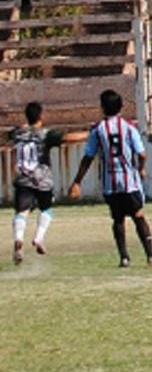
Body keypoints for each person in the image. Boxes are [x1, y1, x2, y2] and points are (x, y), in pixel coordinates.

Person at [68, 90, 152, 267]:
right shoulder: (129, 127)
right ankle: (151, 256)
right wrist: (141, 169)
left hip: (109, 183)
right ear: (121, 107)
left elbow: (88, 157)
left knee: (118, 219)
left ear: (102, 108)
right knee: (138, 215)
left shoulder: (98, 130)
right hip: (129, 181)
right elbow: (141, 154)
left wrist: (77, 181)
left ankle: (124, 258)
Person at [9, 102, 88, 264]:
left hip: (23, 178)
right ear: (41, 116)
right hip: (42, 180)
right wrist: (89, 134)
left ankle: (18, 238)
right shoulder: (45, 134)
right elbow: (67, 138)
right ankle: (38, 238)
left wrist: (23, 127)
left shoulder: (17, 133)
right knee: (46, 209)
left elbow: (8, 135)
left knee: (22, 212)